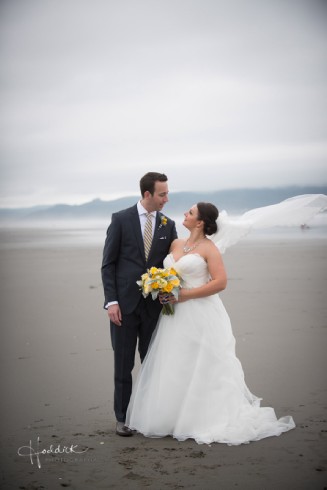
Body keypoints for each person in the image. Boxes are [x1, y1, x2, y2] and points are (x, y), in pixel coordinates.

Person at [125, 201, 297, 444]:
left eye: (191, 212)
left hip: (200, 313)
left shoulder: (209, 248)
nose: (185, 213)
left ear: (201, 222)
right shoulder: (175, 243)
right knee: (176, 362)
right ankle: (173, 417)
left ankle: (202, 418)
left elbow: (220, 282)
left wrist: (183, 295)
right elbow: (166, 274)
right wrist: (161, 288)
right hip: (173, 316)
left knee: (202, 363)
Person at [101, 172, 178, 437]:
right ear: (147, 194)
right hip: (123, 306)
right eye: (162, 194)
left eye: (167, 193)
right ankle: (121, 418)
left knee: (152, 364)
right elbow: (108, 264)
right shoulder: (121, 219)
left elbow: (173, 265)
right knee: (123, 364)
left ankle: (148, 416)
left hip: (154, 307)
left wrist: (172, 289)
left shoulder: (168, 224)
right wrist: (111, 302)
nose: (166, 199)